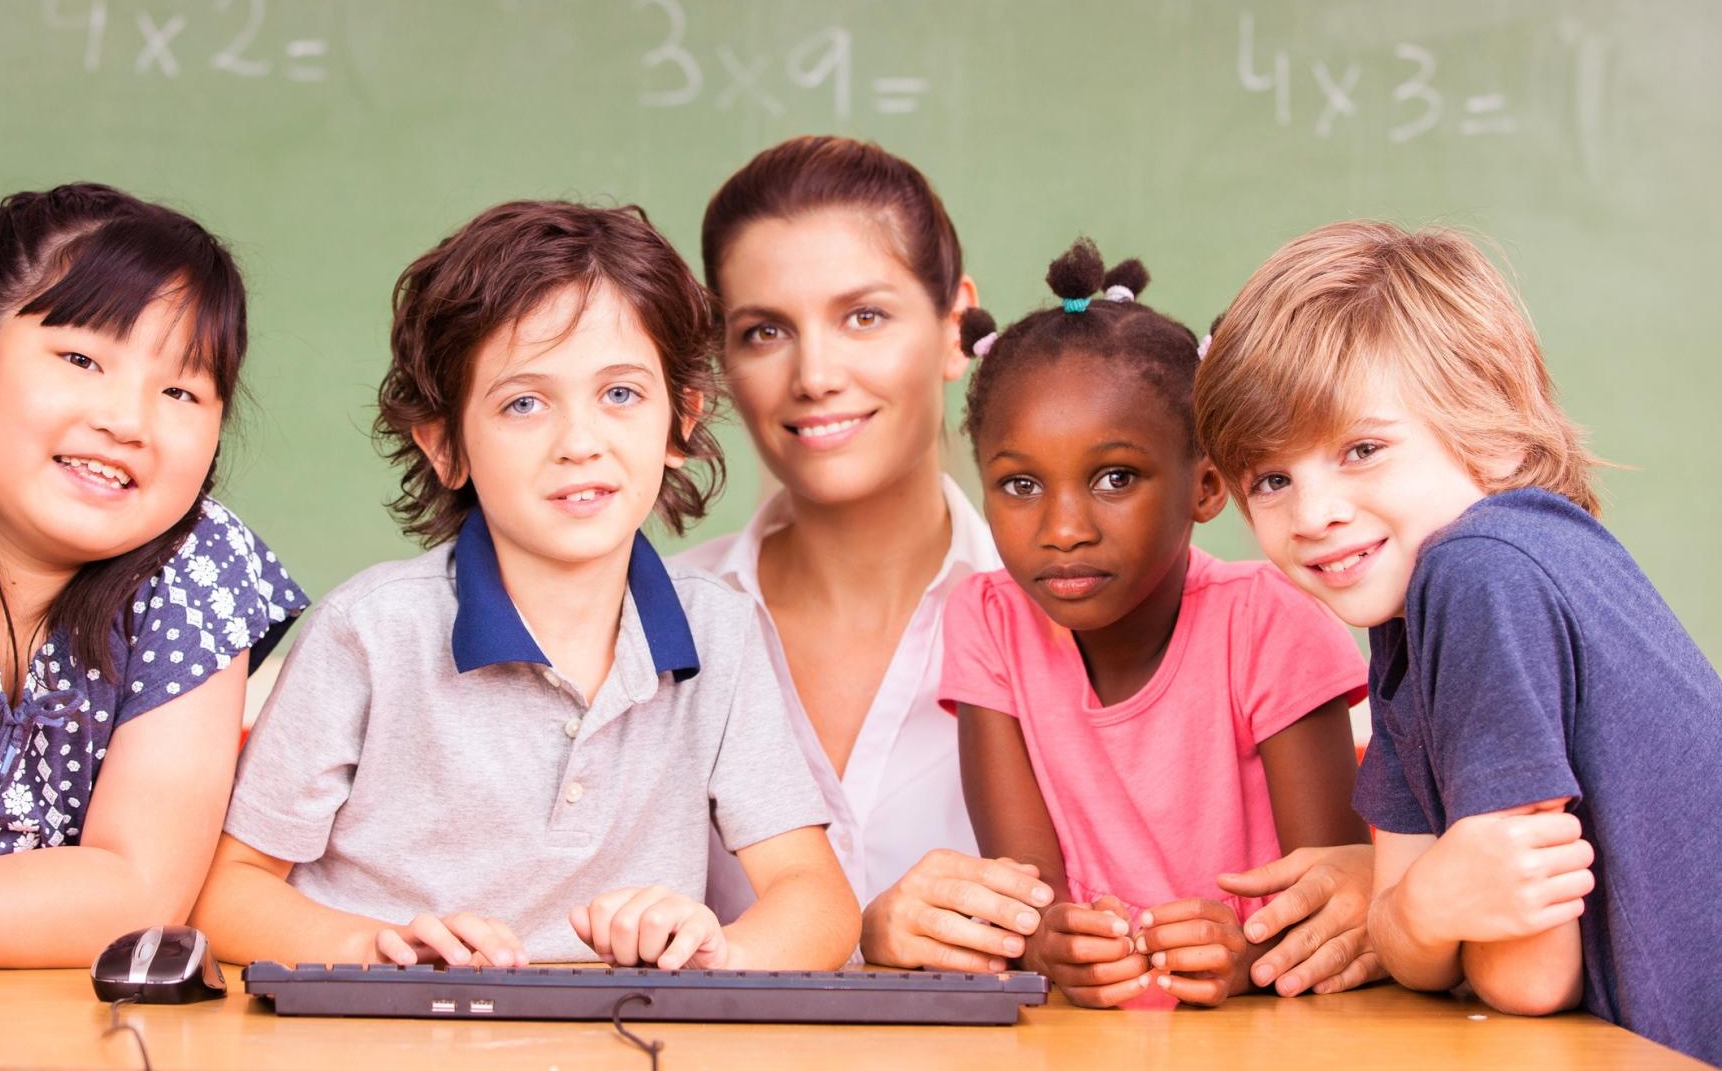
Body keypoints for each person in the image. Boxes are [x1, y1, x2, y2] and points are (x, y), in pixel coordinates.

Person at [685, 136, 1382, 993]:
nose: (817, 374)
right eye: (763, 331)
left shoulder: (1215, 619)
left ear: (953, 329)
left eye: (863, 315)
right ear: (721, 363)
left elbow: (1332, 888)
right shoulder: (669, 622)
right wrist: (863, 936)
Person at [191, 200, 857, 971]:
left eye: (620, 394)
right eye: (524, 403)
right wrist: (369, 948)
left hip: (615, 1041)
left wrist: (715, 952)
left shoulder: (720, 633)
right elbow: (228, 891)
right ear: (445, 447)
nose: (580, 442)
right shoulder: (369, 632)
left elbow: (817, 898)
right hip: (386, 1037)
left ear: (681, 420)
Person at [1195, 221, 1722, 1062]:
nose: (1313, 512)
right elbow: (1411, 931)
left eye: (1362, 449)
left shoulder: (1479, 572)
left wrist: (1419, 913)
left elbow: (1527, 977)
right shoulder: (1406, 626)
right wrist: (1419, 911)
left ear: (1492, 430)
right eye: (1272, 478)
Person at [0, 184, 305, 971]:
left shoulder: (204, 567)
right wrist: (49, 898)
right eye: (81, 359)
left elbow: (142, 896)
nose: (128, 421)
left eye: (180, 390)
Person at [941, 238, 1370, 1008]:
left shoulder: (1273, 626)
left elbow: (1331, 904)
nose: (1063, 527)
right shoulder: (988, 619)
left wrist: (1247, 957)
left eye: (1115, 477)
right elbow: (1028, 892)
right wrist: (1050, 942)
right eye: (1019, 483)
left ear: (1206, 487)